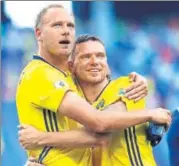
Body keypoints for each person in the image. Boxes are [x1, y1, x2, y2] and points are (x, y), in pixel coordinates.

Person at [16, 4, 171, 166]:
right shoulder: (51, 79)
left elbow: (100, 130)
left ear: (108, 64)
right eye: (85, 57)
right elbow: (95, 132)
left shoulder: (128, 86)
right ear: (72, 67)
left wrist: (40, 139)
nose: (94, 62)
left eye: (100, 56)